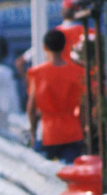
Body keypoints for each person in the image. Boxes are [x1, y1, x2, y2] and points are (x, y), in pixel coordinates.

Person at [27, 29, 85, 163]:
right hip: (73, 131)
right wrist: (82, 129)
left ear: (45, 47)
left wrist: (33, 133)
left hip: (48, 132)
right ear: (65, 46)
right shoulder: (77, 71)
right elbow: (83, 107)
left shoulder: (37, 73)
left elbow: (31, 108)